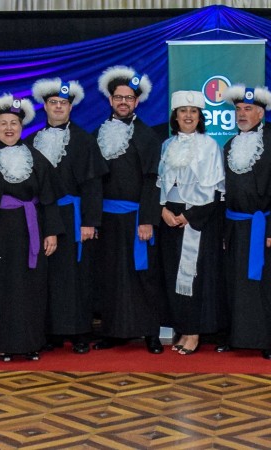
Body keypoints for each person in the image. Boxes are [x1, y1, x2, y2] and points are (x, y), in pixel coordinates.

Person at [0, 93, 63, 362]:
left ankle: (31, 343)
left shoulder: (36, 158)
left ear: (21, 127)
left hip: (32, 231)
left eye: (14, 124)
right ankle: (4, 344)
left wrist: (51, 232)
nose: (9, 128)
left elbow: (49, 199)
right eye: (3, 123)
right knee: (2, 290)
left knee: (32, 288)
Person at [28, 78, 108, 354]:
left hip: (74, 218)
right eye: (53, 103)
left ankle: (79, 332)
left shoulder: (85, 141)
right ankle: (51, 331)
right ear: (45, 106)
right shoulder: (31, 141)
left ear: (71, 107)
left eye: (63, 103)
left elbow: (93, 185)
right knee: (47, 275)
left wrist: (90, 221)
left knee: (77, 277)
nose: (58, 107)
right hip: (40, 218)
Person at [92, 65, 166, 354]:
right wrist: (93, 220)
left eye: (129, 98)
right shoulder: (96, 135)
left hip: (137, 219)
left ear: (137, 102)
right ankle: (113, 332)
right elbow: (92, 182)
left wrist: (147, 219)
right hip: (107, 220)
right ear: (110, 100)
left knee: (143, 276)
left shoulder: (148, 137)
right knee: (110, 275)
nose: (123, 102)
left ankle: (151, 333)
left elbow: (153, 181)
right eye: (118, 97)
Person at [221, 84, 271, 360]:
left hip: (263, 228)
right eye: (238, 109)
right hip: (235, 226)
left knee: (264, 285)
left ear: (261, 113)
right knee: (236, 285)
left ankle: (266, 341)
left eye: (248, 109)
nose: (242, 114)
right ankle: (237, 337)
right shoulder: (229, 145)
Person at [158, 90, 225, 356]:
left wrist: (189, 216)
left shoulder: (210, 145)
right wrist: (162, 210)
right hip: (170, 218)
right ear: (176, 116)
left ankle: (195, 332)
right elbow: (159, 184)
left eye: (193, 111)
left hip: (198, 218)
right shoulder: (166, 145)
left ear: (200, 116)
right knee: (174, 275)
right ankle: (183, 328)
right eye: (183, 111)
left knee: (196, 277)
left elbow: (216, 191)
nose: (188, 116)